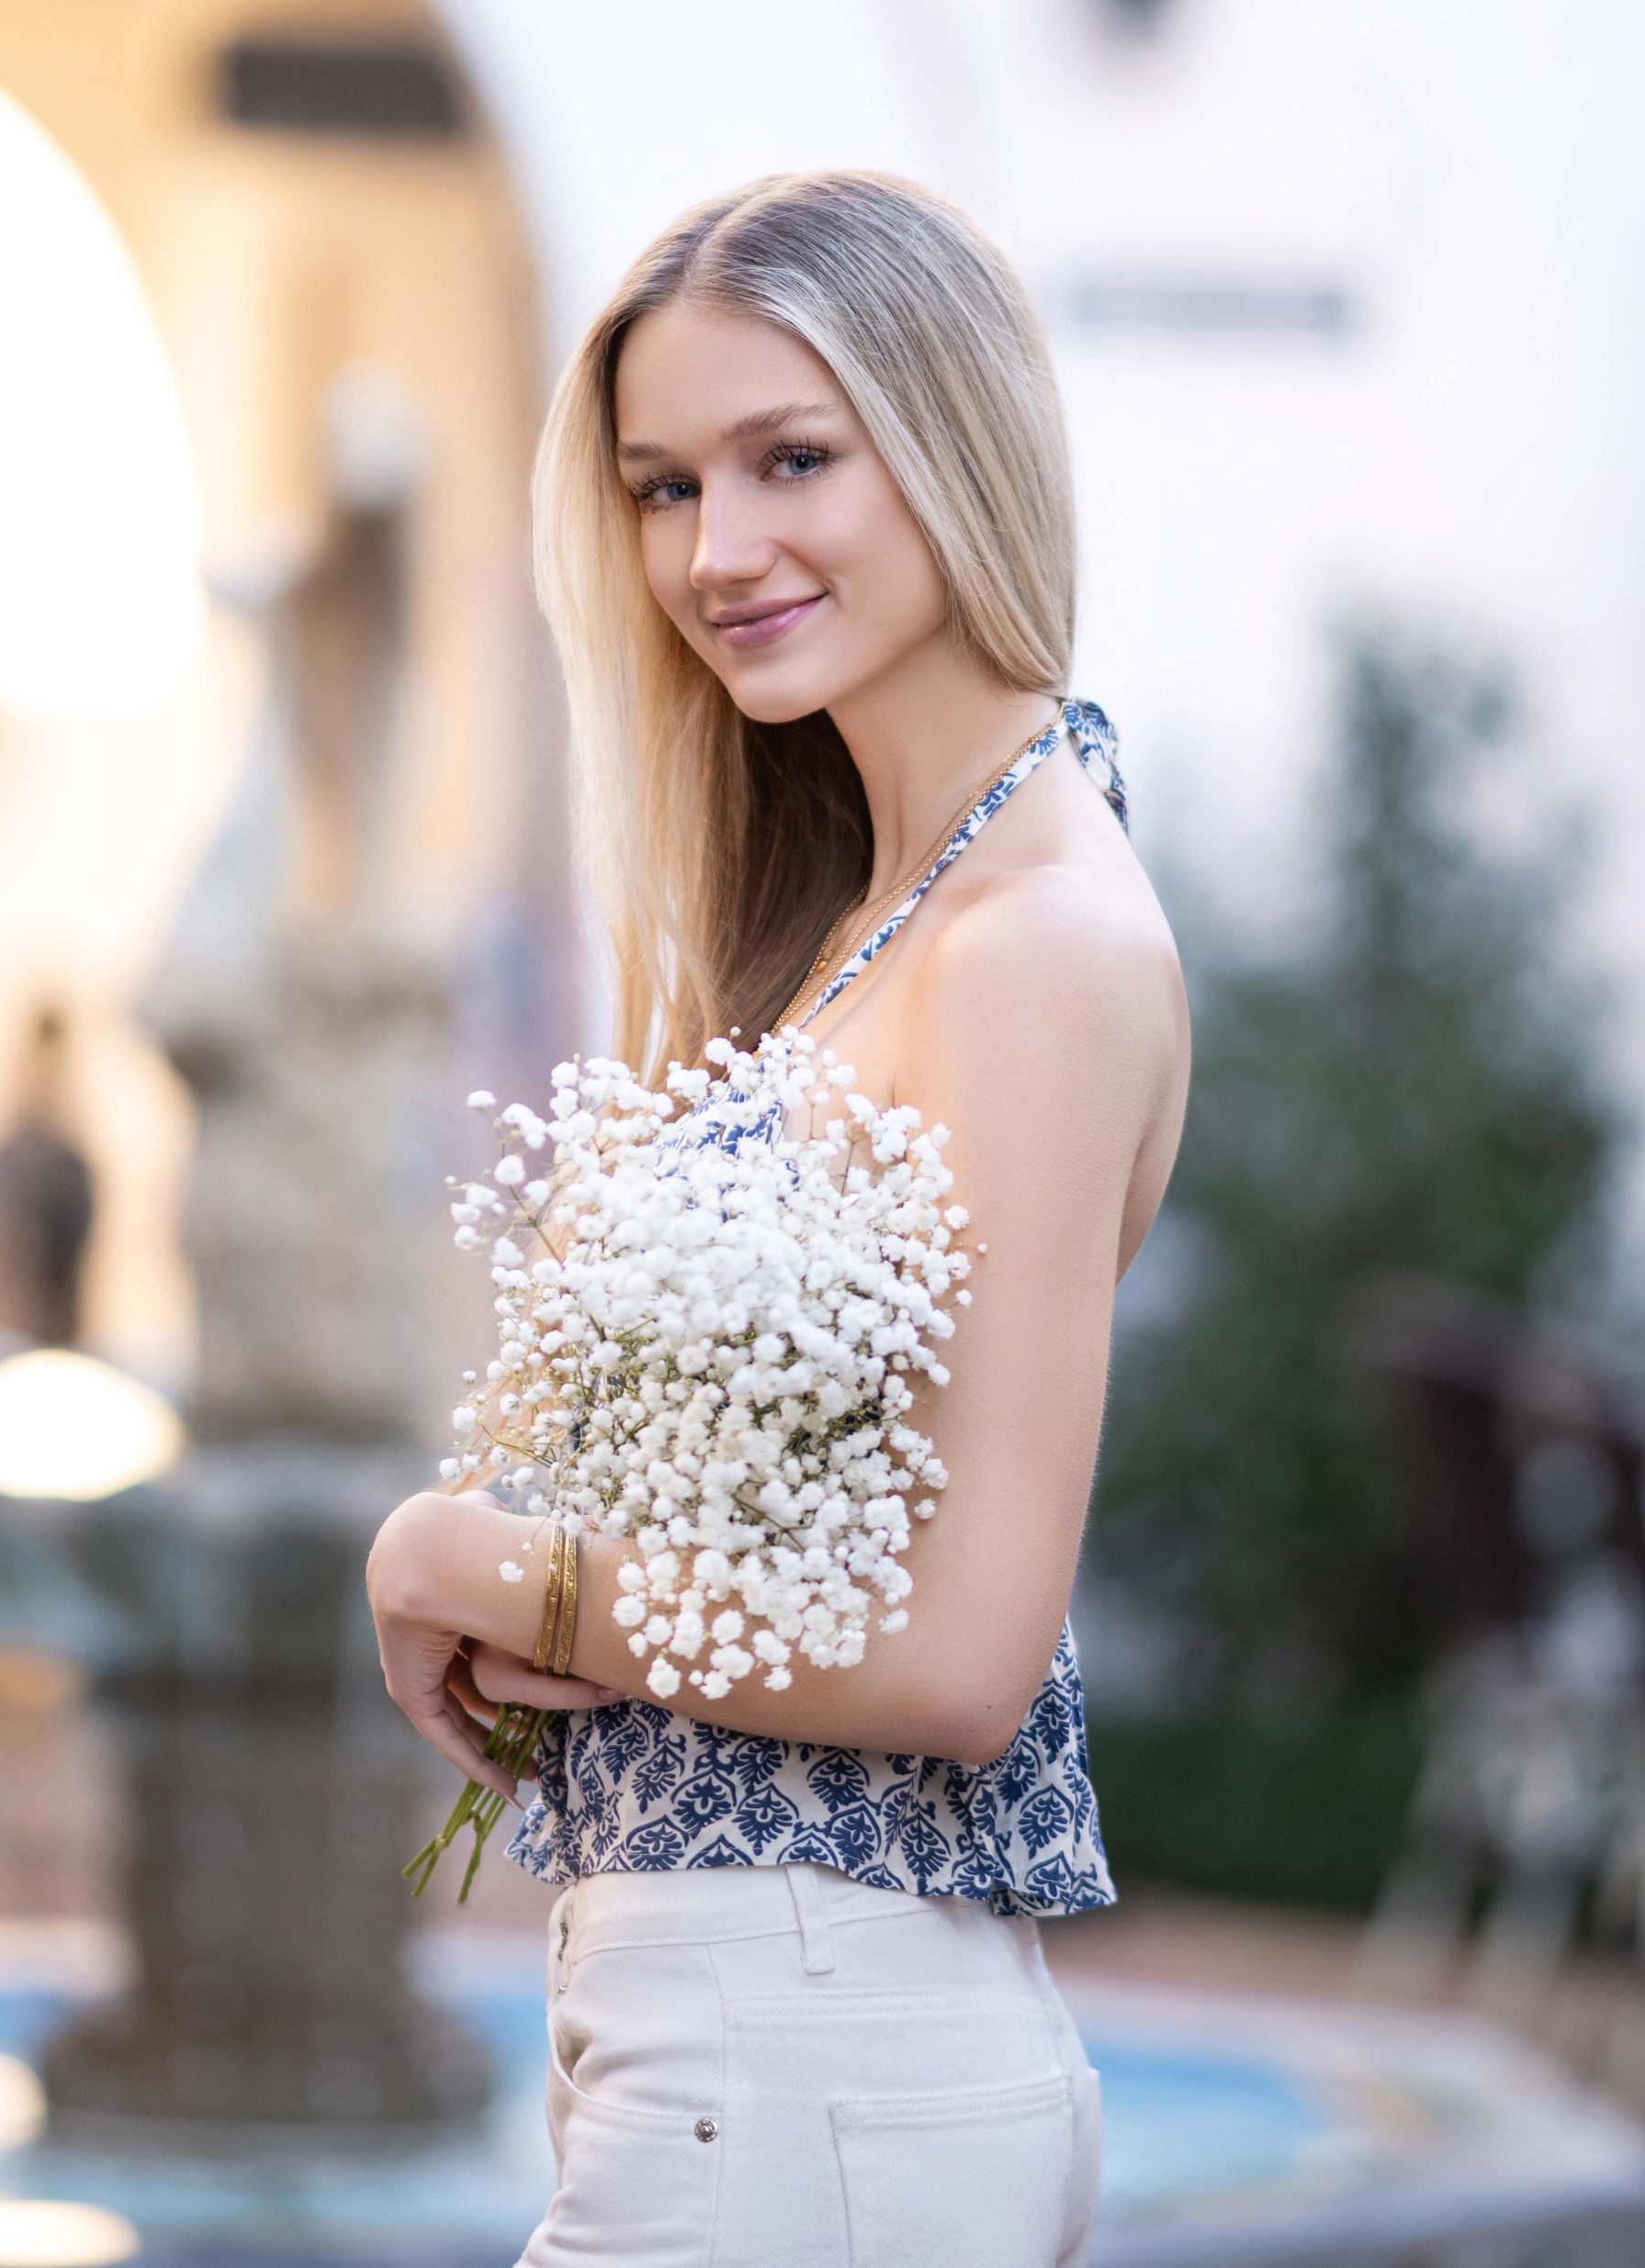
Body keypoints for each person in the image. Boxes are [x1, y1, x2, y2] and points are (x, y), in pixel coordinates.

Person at [367, 169, 1189, 2265]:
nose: (716, 552)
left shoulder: (1032, 947)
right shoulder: (877, 922)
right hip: (760, 2054)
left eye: (789, 458)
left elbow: (958, 1651)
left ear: (955, 440)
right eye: (662, 485)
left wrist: (475, 1558)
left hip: (818, 2051)